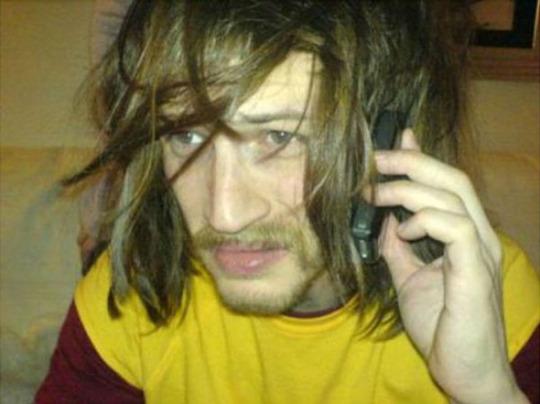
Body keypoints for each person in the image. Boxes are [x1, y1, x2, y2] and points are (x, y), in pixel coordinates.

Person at [36, 1, 539, 403]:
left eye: (280, 136)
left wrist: (487, 391)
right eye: (186, 137)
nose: (224, 215)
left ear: (384, 141)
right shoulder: (135, 290)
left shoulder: (484, 293)